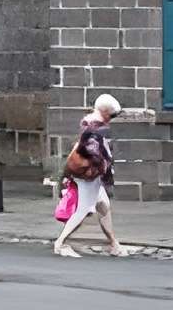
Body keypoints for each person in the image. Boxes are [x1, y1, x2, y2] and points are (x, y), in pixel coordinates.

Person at [54, 93, 124, 258]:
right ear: (106, 112)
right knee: (83, 209)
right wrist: (106, 168)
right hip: (88, 176)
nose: (112, 119)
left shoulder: (88, 122)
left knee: (103, 205)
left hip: (89, 175)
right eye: (112, 115)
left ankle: (114, 244)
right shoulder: (96, 129)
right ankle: (60, 243)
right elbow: (95, 155)